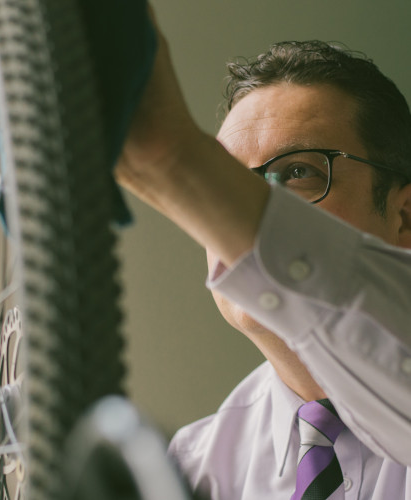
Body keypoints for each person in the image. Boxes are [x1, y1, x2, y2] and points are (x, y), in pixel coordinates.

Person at [115, 10, 411, 500]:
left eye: (297, 173)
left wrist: (175, 162)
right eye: (228, 180)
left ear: (404, 218)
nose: (223, 213)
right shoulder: (188, 471)